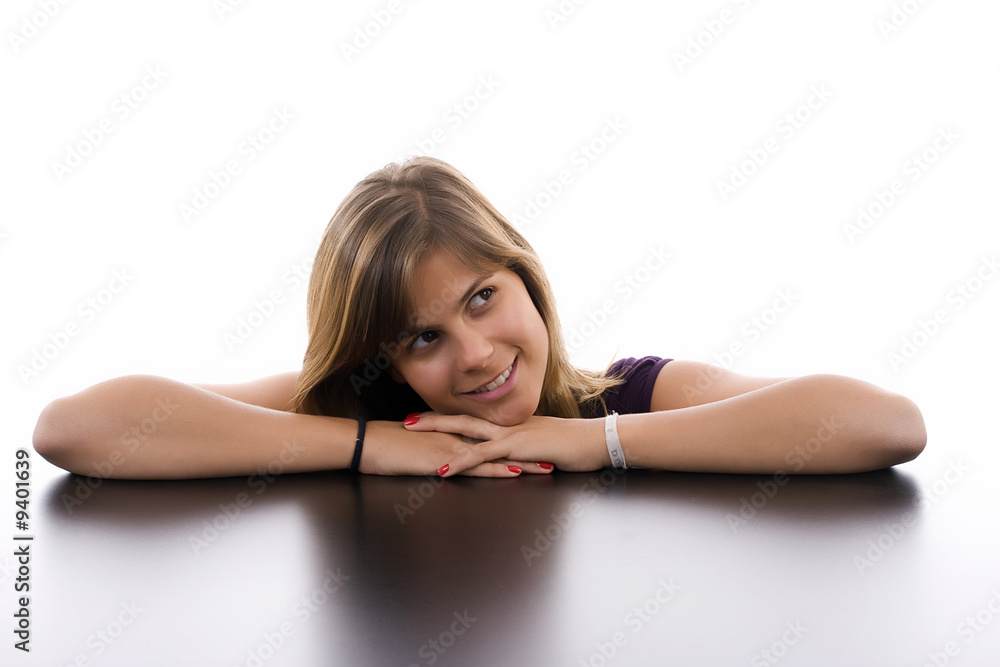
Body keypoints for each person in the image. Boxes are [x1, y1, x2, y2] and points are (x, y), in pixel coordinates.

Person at [32, 157, 926, 480]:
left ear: (526, 278)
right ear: (384, 357)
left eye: (483, 299)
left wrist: (594, 442)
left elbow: (886, 425)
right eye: (423, 337)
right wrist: (367, 446)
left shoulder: (631, 394)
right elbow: (75, 430)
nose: (476, 354)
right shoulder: (367, 408)